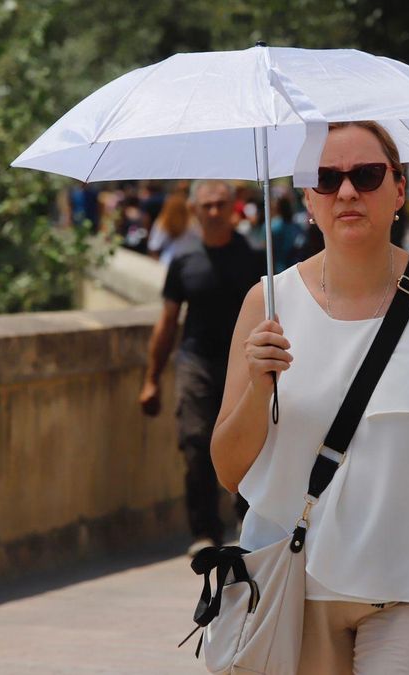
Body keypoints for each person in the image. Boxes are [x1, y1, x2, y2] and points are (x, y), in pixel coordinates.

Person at [210, 122, 409, 673]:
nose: (347, 192)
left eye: (367, 175)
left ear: (399, 189)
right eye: (326, 179)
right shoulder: (268, 304)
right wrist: (258, 388)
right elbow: (230, 471)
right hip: (295, 586)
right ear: (308, 199)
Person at [139, 180, 264, 556]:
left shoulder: (255, 257)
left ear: (233, 208)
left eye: (220, 205)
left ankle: (248, 517)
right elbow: (167, 322)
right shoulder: (183, 261)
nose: (214, 212)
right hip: (196, 361)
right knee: (195, 443)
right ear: (194, 210)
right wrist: (151, 379)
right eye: (206, 206)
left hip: (243, 363)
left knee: (250, 444)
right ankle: (205, 531)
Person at [147, 188, 201, 267]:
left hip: (167, 262)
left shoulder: (162, 222)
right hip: (188, 264)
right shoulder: (193, 223)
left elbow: (154, 247)